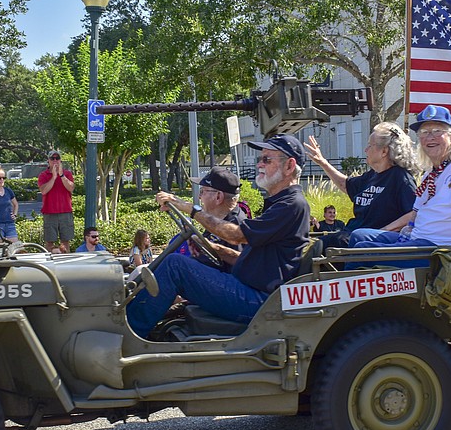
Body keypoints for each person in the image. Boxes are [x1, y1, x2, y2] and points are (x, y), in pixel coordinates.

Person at [126, 133, 310, 339]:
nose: (260, 164)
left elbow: (236, 235)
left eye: (267, 159)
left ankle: (128, 335)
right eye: (260, 159)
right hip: (251, 291)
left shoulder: (292, 204)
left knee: (175, 266)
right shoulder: (280, 203)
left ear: (289, 166)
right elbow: (258, 260)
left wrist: (190, 209)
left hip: (258, 300)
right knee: (174, 264)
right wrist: (215, 248)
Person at [347, 105, 451, 267]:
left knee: (363, 251)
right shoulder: (431, 174)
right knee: (359, 236)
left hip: (446, 252)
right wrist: (398, 233)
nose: (430, 137)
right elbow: (416, 212)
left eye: (437, 131)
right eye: (424, 132)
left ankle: (341, 290)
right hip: (419, 242)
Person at [304, 122, 419, 249]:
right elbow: (345, 184)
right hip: (350, 235)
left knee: (329, 243)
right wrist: (323, 162)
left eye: (370, 145)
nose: (366, 150)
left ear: (384, 151)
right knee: (314, 243)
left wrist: (382, 231)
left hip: (366, 242)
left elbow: (413, 213)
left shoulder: (400, 177)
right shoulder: (371, 176)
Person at [188, 167, 247, 271]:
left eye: (203, 191)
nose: (199, 197)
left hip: (218, 283)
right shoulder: (218, 219)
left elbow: (238, 270)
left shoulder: (235, 226)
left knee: (174, 262)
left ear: (218, 197)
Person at [38, 150, 75, 253]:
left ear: (60, 160)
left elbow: (71, 188)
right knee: (49, 242)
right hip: (49, 213)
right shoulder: (43, 175)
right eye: (52, 159)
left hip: (65, 212)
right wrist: (54, 177)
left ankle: (66, 263)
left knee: (65, 242)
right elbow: (44, 190)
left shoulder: (67, 174)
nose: (55, 161)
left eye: (57, 158)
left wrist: (61, 175)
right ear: (48, 161)